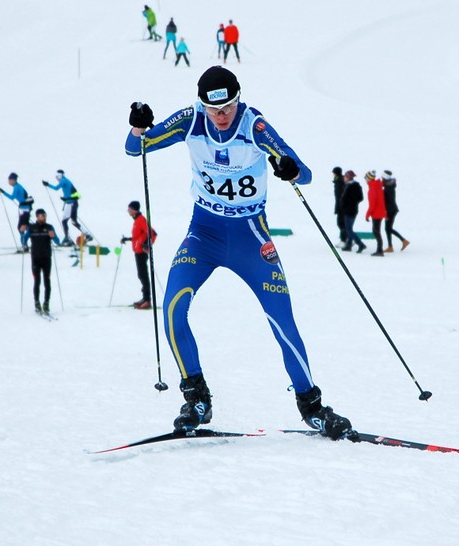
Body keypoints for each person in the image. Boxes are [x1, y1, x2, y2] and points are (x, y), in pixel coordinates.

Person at [124, 66, 355, 440]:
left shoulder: (254, 125)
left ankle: (312, 406)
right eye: (214, 110)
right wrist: (138, 126)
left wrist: (289, 168)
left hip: (251, 237)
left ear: (237, 99)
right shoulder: (190, 121)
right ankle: (196, 396)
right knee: (172, 308)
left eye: (228, 107)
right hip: (203, 235)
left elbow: (305, 173)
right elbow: (136, 148)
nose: (221, 116)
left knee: (282, 320)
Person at [21, 208, 60, 314]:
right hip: (35, 258)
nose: (44, 217)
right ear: (37, 217)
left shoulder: (49, 227)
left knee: (47, 281)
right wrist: (22, 232)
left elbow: (58, 241)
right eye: (42, 215)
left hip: (47, 258)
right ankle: (37, 302)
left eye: (45, 215)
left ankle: (46, 303)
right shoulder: (32, 228)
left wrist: (54, 236)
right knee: (37, 281)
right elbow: (24, 241)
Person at [42, 169, 92, 246]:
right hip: (71, 203)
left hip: (71, 204)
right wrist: (65, 198)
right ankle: (86, 235)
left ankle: (67, 238)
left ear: (60, 176)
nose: (56, 179)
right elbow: (68, 193)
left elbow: (56, 188)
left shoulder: (63, 181)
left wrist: (47, 184)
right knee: (73, 221)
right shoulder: (65, 180)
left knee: (66, 221)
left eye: (57, 177)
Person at [120, 200, 155, 309]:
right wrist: (128, 239)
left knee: (143, 275)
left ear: (134, 210)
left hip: (142, 252)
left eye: (129, 209)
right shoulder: (137, 220)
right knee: (141, 275)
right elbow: (139, 235)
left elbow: (152, 233)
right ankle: (145, 298)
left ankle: (147, 299)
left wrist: (147, 245)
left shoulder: (141, 220)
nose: (128, 211)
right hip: (137, 251)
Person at [0, 172, 34, 252]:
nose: (8, 182)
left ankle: (24, 245)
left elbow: (12, 197)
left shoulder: (16, 187)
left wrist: (2, 192)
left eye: (9, 180)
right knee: (25, 226)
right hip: (24, 209)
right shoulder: (17, 186)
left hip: (24, 209)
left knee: (21, 228)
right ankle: (26, 242)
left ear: (13, 180)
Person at [382, 170, 410, 252]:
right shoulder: (389, 187)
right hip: (392, 209)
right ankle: (391, 246)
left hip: (390, 210)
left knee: (388, 228)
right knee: (388, 228)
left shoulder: (388, 189)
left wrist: (386, 212)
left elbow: (388, 202)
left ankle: (403, 241)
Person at [339, 170, 365, 253]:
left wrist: (347, 203)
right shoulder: (352, 186)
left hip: (349, 210)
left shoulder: (352, 186)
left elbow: (357, 198)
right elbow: (360, 198)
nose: (344, 178)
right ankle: (349, 245)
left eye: (345, 177)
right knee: (349, 228)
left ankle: (360, 244)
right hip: (352, 210)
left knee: (348, 230)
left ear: (348, 178)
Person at [364, 170, 387, 256]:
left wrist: (367, 215)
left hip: (376, 213)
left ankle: (379, 250)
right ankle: (379, 249)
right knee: (377, 231)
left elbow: (372, 204)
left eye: (366, 178)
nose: (365, 180)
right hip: (380, 212)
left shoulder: (372, 188)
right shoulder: (377, 186)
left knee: (376, 231)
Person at [332, 166, 346, 246]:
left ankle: (344, 240)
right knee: (341, 223)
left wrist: (338, 207)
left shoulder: (339, 182)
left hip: (342, 206)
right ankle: (343, 239)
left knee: (341, 223)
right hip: (341, 206)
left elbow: (339, 196)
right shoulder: (339, 181)